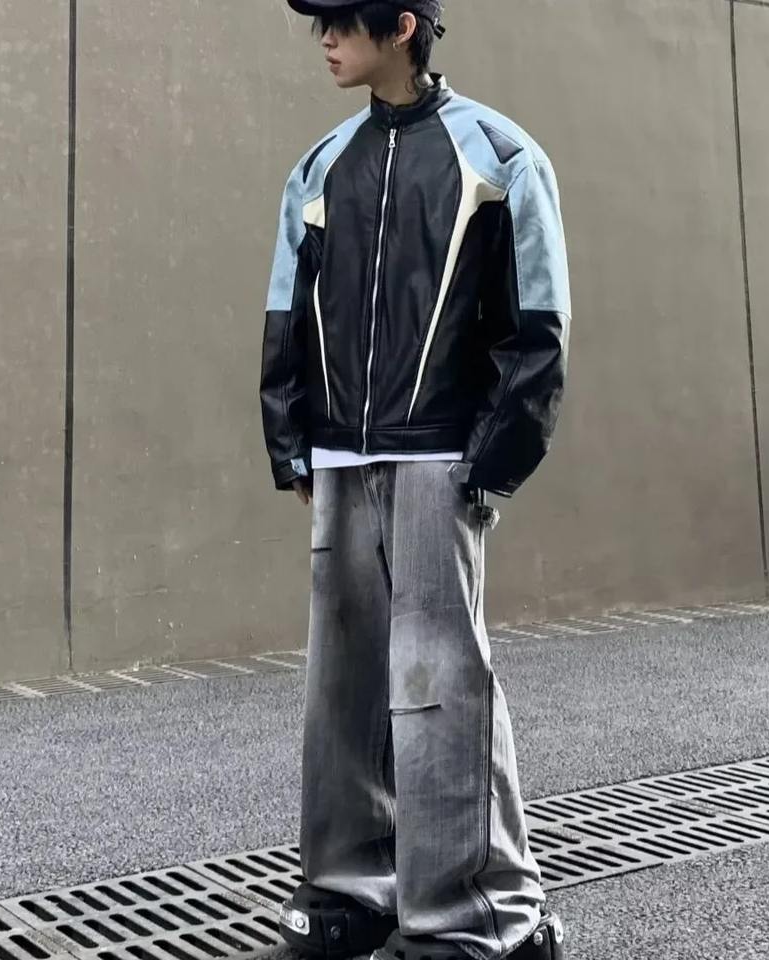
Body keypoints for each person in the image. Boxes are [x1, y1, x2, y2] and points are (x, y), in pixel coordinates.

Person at [260, 3, 571, 960]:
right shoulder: (321, 166)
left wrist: (492, 459)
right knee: (343, 687)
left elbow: (536, 322)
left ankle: (481, 919)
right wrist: (292, 441)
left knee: (439, 686)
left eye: (340, 20)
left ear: (401, 25)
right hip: (341, 458)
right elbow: (286, 309)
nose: (324, 38)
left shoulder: (501, 156)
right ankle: (353, 892)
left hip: (440, 455)